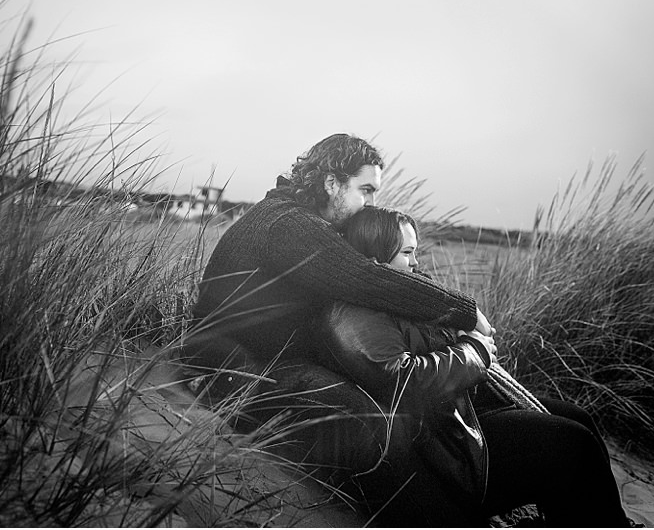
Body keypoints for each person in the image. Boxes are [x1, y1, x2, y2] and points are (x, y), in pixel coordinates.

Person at [179, 133, 496, 525]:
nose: (372, 203)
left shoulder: (290, 216)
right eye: (365, 190)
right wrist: (465, 312)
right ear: (331, 183)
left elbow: (375, 277)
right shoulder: (288, 224)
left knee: (383, 409)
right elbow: (365, 278)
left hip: (255, 361)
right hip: (233, 374)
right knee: (376, 426)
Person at [318, 205, 632, 527]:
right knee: (573, 445)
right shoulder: (355, 314)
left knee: (579, 419)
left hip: (459, 414)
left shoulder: (390, 298)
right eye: (408, 253)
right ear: (376, 255)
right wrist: (475, 350)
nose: (415, 262)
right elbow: (403, 384)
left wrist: (460, 337)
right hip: (444, 444)